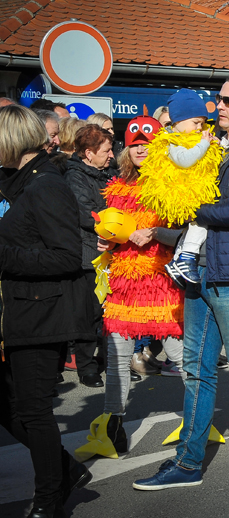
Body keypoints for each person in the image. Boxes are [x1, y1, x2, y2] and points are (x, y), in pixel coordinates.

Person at [133, 73, 229, 490]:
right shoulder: (213, 145)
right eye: (219, 99)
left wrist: (195, 207)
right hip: (200, 273)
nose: (220, 106)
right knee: (197, 371)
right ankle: (187, 463)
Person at [0, 105, 94, 517]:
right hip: (16, 311)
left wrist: (4, 255)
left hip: (40, 314)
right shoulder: (17, 181)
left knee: (34, 411)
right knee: (9, 407)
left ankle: (49, 500)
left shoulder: (46, 185)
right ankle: (66, 470)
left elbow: (65, 256)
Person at [75, 117, 186, 460]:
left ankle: (200, 422)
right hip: (123, 284)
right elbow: (113, 226)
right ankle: (113, 432)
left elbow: (186, 235)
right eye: (135, 144)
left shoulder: (172, 184)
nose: (140, 150)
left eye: (146, 145)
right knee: (116, 358)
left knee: (181, 356)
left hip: (160, 283)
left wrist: (154, 233)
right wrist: (106, 240)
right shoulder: (117, 185)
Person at [141, 89, 224, 286]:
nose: (199, 127)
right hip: (182, 195)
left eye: (202, 123)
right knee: (201, 222)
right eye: (195, 122)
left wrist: (215, 146)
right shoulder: (171, 141)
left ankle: (178, 259)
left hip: (190, 192)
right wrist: (204, 144)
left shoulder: (188, 138)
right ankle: (187, 256)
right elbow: (185, 160)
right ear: (178, 121)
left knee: (192, 227)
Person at [65, 123, 117, 388]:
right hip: (88, 254)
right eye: (106, 151)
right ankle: (86, 367)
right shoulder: (74, 177)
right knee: (89, 313)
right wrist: (114, 222)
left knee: (109, 313)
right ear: (88, 153)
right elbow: (87, 214)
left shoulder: (107, 174)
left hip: (110, 251)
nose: (111, 155)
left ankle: (112, 361)